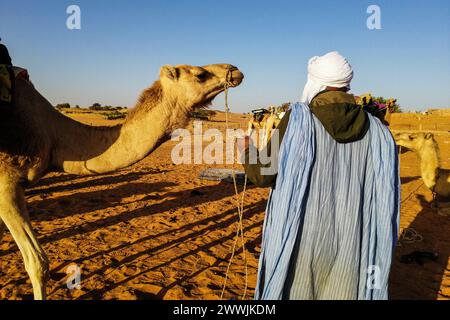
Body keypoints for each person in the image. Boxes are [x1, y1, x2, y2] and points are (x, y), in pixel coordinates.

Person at [240, 51, 400, 300]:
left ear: (315, 83)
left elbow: (263, 175)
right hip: (353, 238)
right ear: (346, 84)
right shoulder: (378, 129)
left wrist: (247, 151)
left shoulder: (298, 120)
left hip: (302, 236)